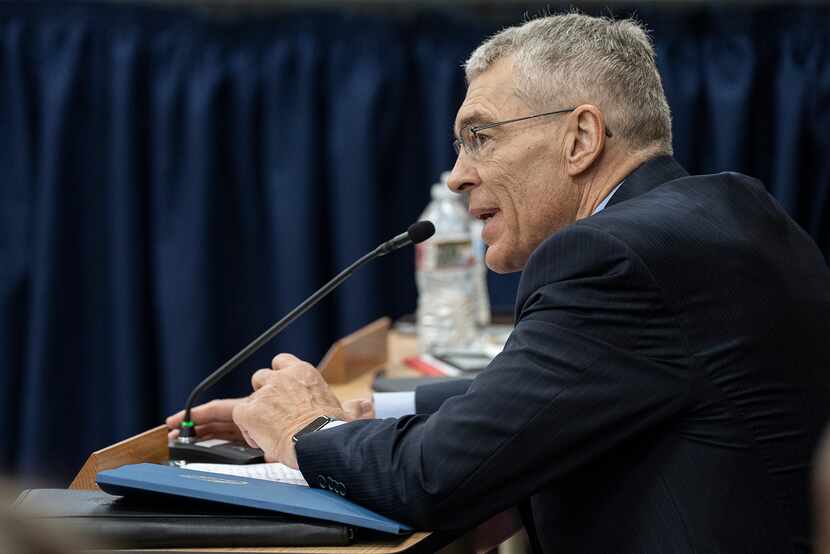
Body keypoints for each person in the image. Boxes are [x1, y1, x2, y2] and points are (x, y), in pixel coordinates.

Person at [168, 12, 830, 553]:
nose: (456, 176)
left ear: (581, 138)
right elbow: (550, 390)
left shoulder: (612, 257)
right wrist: (378, 411)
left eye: (478, 137)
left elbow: (433, 479)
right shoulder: (735, 211)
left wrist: (302, 425)